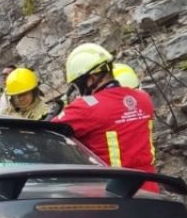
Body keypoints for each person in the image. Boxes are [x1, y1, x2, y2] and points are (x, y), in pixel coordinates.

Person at [52, 43, 156, 174]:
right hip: (150, 186)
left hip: (110, 189)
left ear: (92, 78)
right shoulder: (143, 98)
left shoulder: (86, 108)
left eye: (79, 83)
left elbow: (48, 134)